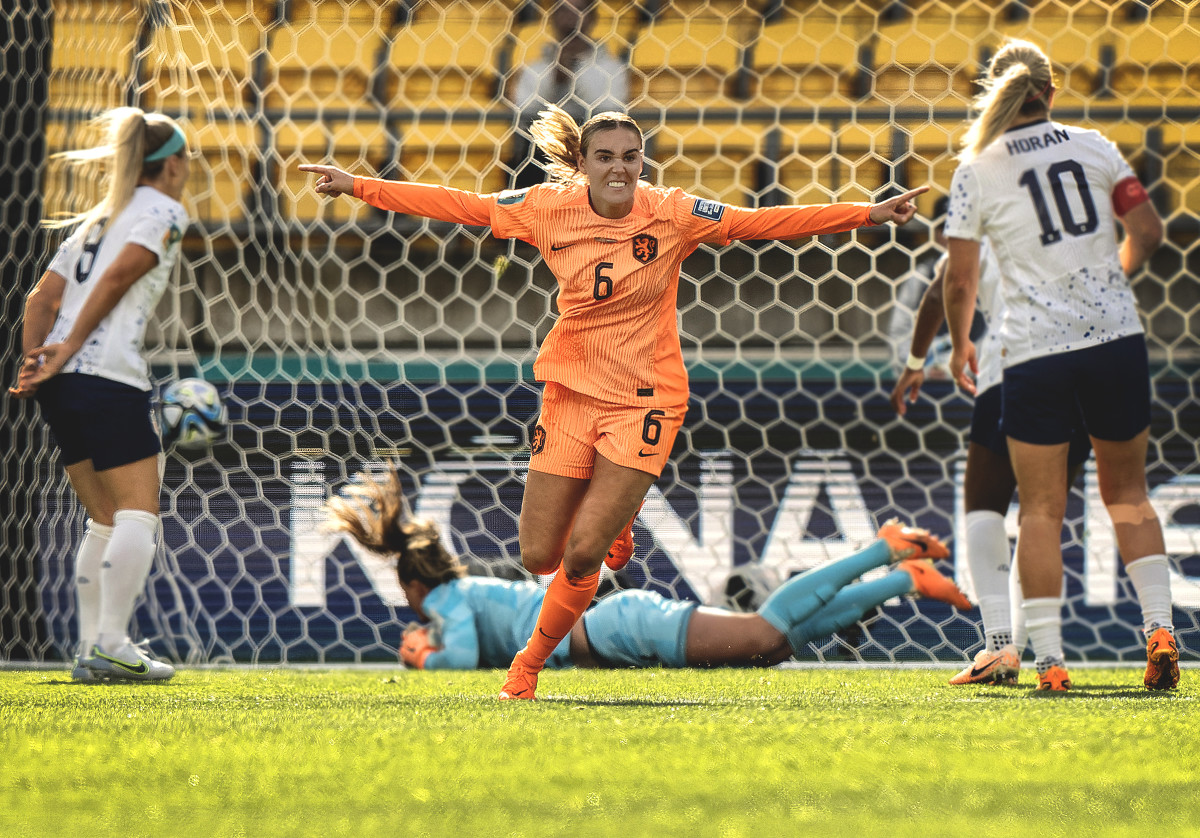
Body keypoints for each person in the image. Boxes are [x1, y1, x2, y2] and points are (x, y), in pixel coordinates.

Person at [300, 105, 927, 700]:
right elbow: (462, 206)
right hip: (571, 393)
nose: (621, 168)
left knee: (582, 555)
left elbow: (757, 222)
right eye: (606, 156)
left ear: (644, 161)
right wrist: (359, 186)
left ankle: (528, 666)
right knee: (537, 554)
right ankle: (618, 516)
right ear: (585, 161)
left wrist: (864, 216)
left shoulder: (673, 214)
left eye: (632, 155)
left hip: (645, 399)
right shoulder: (548, 208)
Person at [941, 39, 1175, 691]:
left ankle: (1049, 663)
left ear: (996, 91)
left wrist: (962, 343)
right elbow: (1150, 231)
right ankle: (1160, 631)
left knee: (1041, 510)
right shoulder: (1095, 145)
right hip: (1115, 340)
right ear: (1051, 90)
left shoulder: (978, 167)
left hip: (1036, 351)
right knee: (1128, 494)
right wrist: (1107, 283)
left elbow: (959, 280)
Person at [324, 469, 970, 674]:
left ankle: (884, 550)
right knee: (771, 645)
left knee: (764, 630)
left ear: (414, 585)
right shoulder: (465, 592)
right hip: (609, 627)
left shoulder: (448, 601)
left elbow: (461, 658)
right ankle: (903, 579)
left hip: (616, 626)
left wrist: (423, 659)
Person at [8, 107, 191, 682]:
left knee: (104, 520)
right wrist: (72, 348)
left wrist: (37, 357)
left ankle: (92, 651)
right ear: (174, 164)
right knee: (138, 512)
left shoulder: (94, 221)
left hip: (62, 385)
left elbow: (41, 298)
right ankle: (113, 643)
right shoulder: (163, 210)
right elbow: (117, 280)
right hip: (108, 376)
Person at [891, 235, 1093, 686]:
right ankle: (1045, 657)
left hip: (1015, 363)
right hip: (1084, 373)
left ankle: (999, 646)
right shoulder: (1075, 217)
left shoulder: (989, 210)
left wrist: (916, 360)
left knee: (984, 503)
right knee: (1044, 515)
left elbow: (944, 286)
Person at [505, 0, 629, 190]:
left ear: (592, 18)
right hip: (542, 154)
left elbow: (611, 113)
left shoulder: (612, 69)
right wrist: (556, 78)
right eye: (563, 11)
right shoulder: (534, 69)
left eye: (579, 11)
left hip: (595, 151)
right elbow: (523, 113)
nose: (571, 19)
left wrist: (574, 76)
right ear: (552, 18)